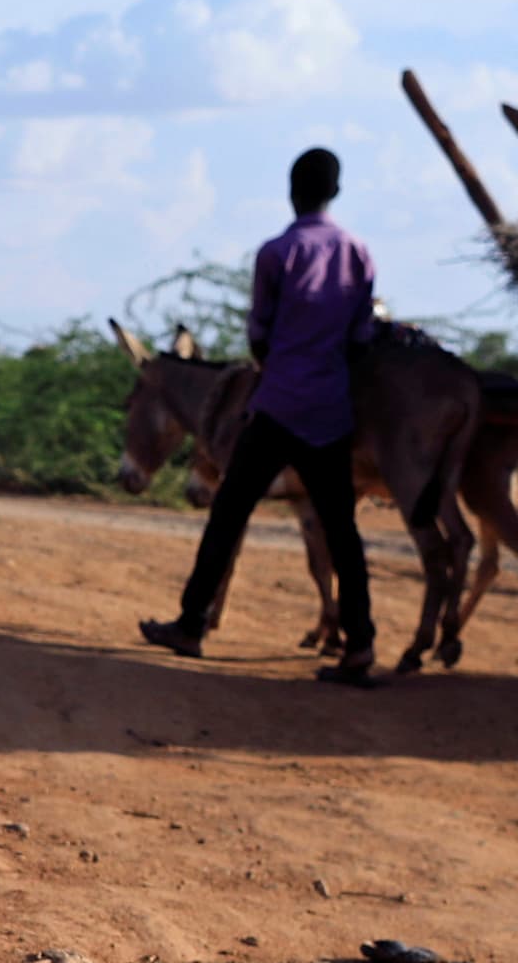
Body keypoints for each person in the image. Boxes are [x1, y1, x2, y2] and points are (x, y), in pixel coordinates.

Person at [142, 145, 378, 685]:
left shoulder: (276, 253)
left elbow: (259, 334)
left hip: (276, 406)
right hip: (329, 409)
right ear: (335, 192)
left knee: (229, 512)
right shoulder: (358, 252)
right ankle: (360, 645)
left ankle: (192, 624)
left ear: (291, 191)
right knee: (341, 528)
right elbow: (363, 334)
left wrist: (279, 370)